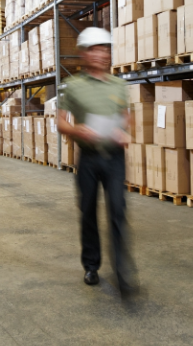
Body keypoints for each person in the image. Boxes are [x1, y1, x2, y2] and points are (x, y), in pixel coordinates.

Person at [57, 27, 138, 297]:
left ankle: (122, 271)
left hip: (114, 157)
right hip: (89, 159)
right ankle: (91, 265)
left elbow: (126, 116)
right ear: (84, 53)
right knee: (88, 211)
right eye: (97, 49)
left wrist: (123, 129)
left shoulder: (119, 85)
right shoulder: (73, 86)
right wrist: (77, 130)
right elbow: (60, 122)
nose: (103, 54)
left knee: (118, 210)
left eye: (106, 49)